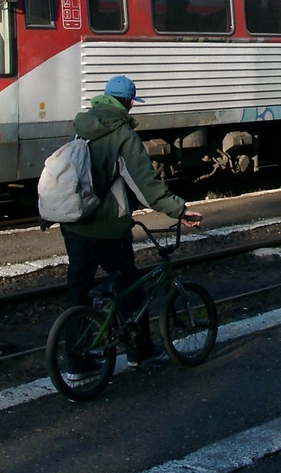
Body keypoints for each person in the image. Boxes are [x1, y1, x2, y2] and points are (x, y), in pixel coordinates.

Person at [59, 75, 202, 380]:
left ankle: (77, 363)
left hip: (73, 223)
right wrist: (179, 210)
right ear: (128, 102)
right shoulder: (122, 133)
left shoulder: (82, 126)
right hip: (107, 228)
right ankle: (141, 352)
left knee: (78, 289)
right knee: (130, 289)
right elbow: (145, 185)